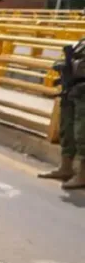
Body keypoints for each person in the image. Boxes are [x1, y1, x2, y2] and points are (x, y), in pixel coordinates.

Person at [39, 37, 85, 189]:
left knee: (82, 133)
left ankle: (82, 175)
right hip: (71, 90)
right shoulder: (80, 42)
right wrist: (63, 65)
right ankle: (65, 168)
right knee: (67, 129)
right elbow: (60, 61)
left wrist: (73, 66)